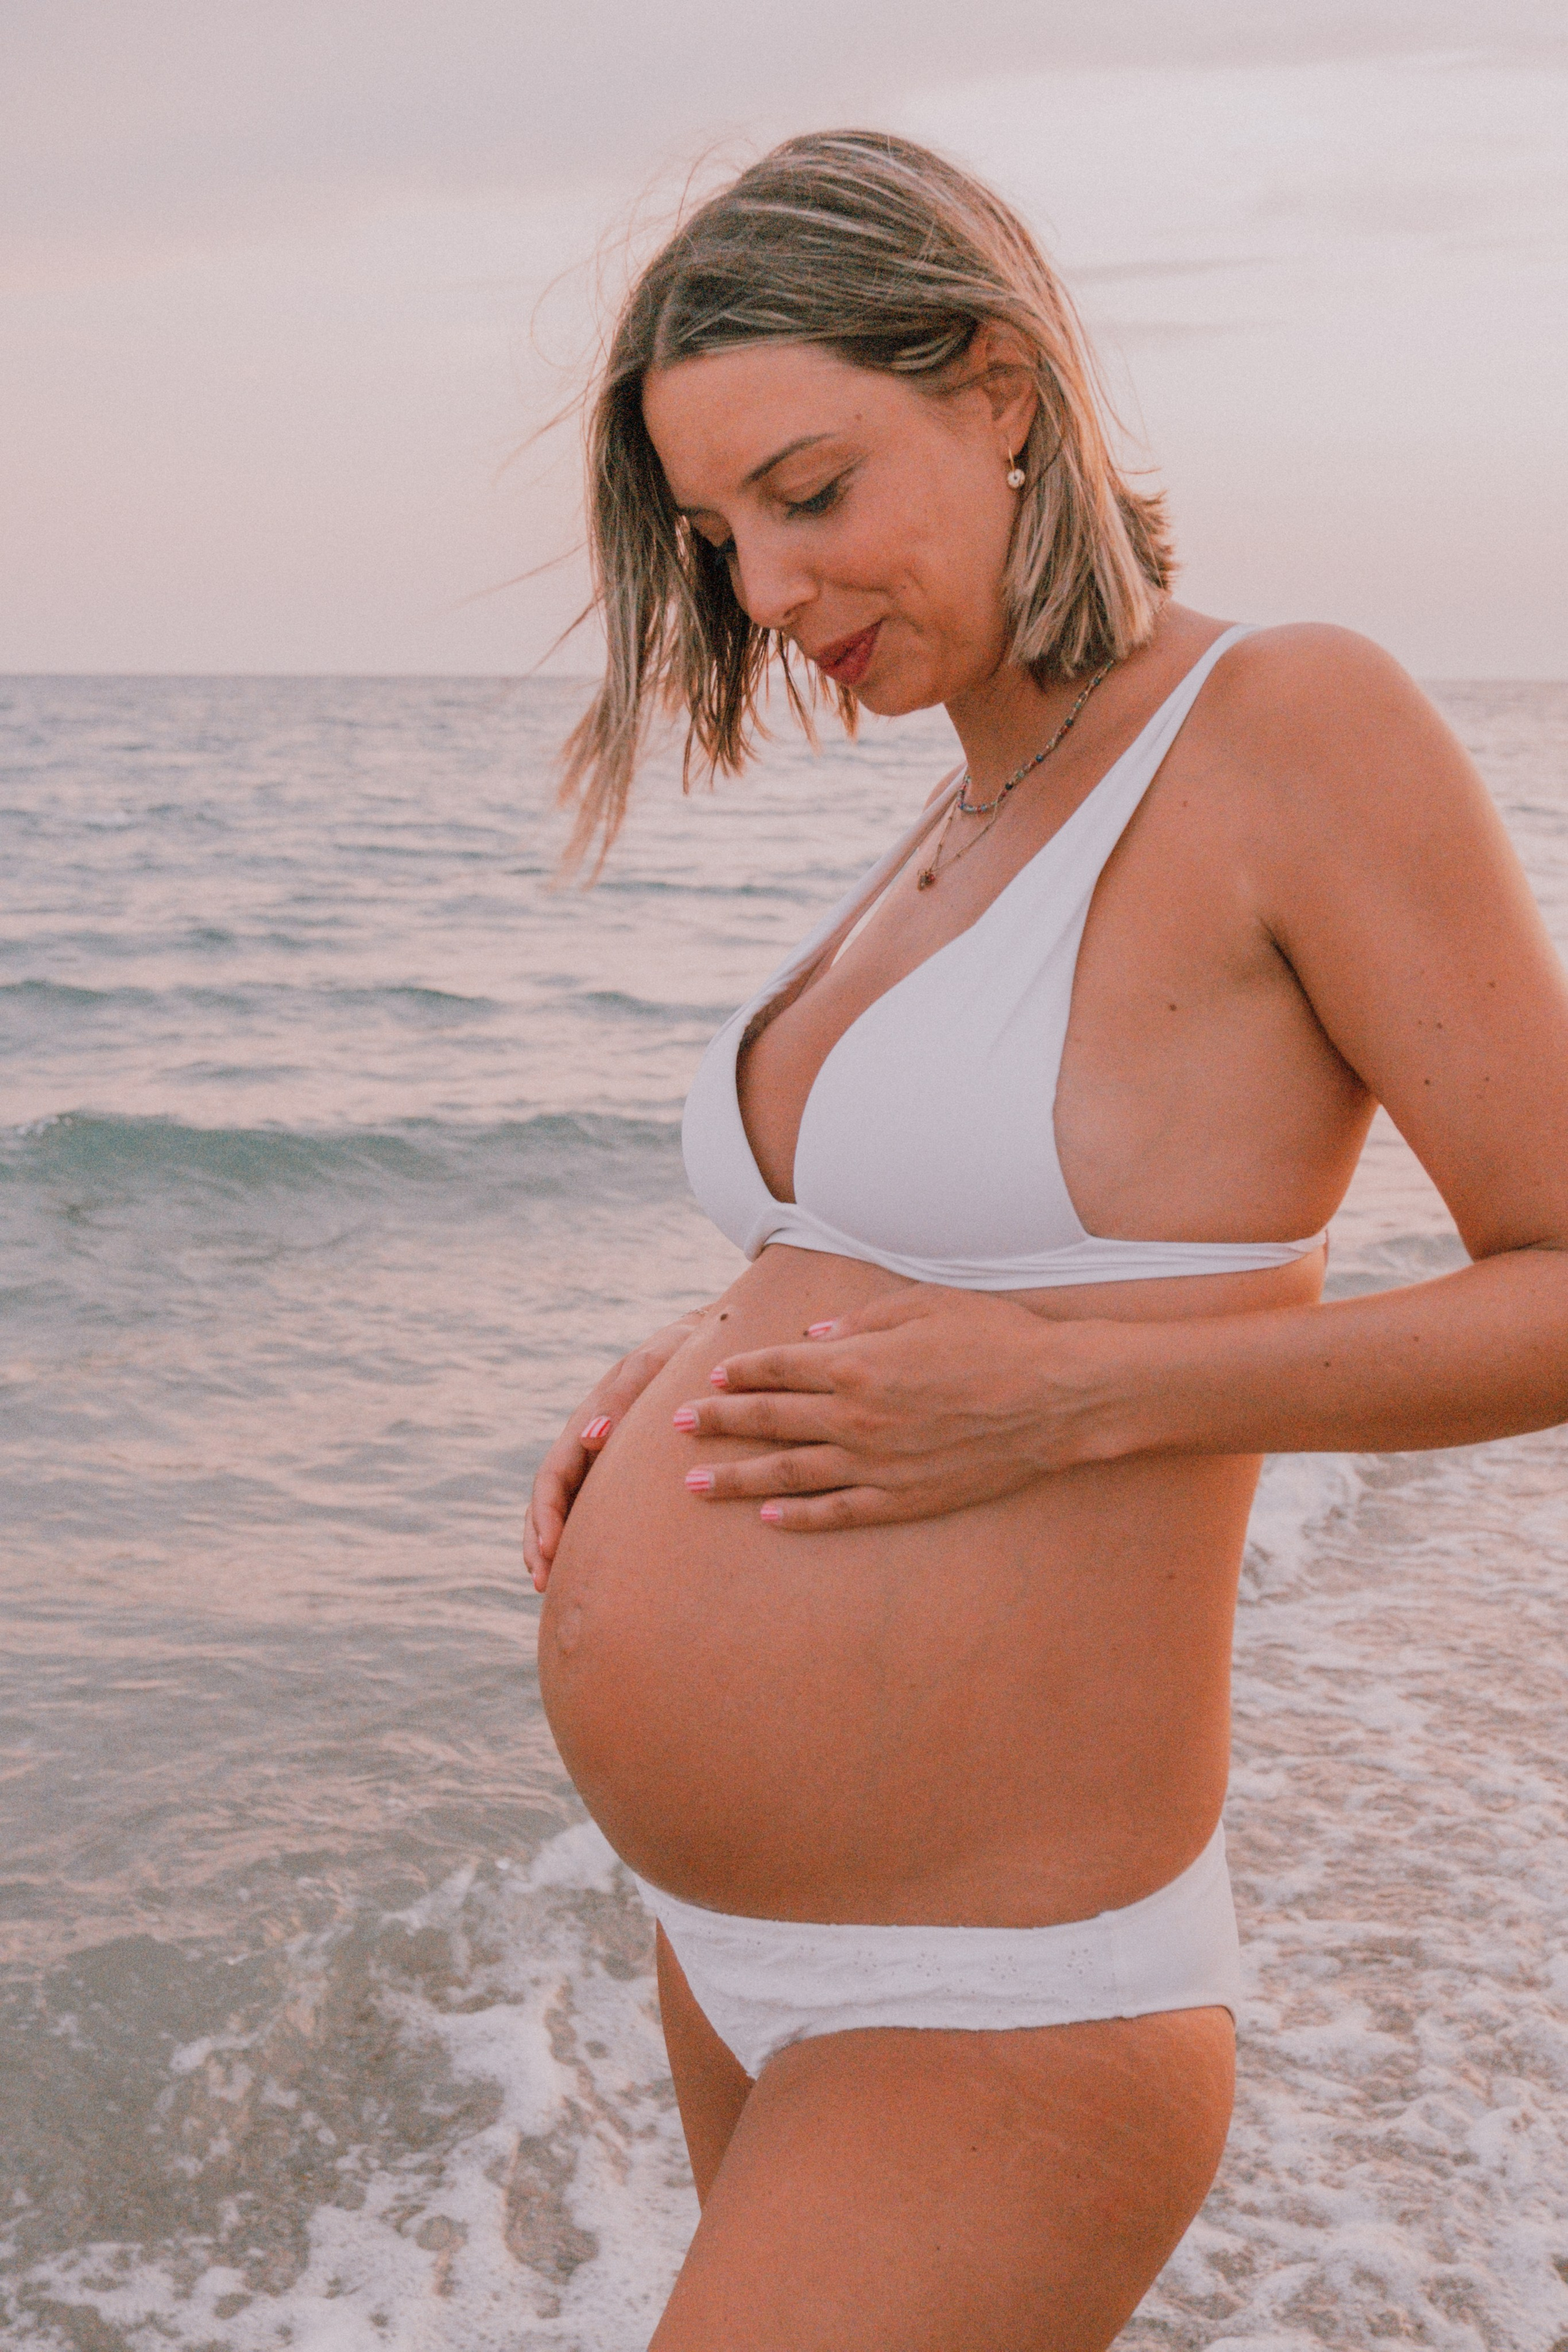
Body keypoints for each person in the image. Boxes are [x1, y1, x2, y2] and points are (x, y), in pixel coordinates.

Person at [522, 129, 1568, 2351]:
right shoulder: (962, 807)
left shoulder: (1289, 725)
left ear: (1001, 387)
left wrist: (1074, 1401)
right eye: (719, 536)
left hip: (999, 2001)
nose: (766, 592)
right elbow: (971, 1237)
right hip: (731, 1950)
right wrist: (696, 1354)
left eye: (808, 490)